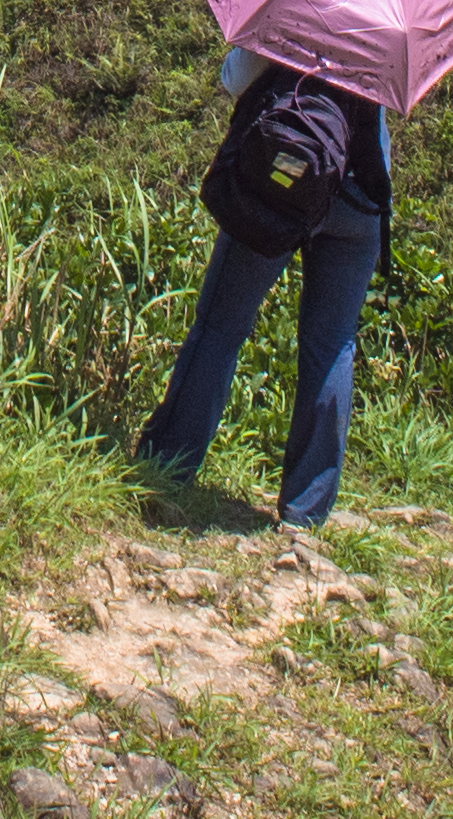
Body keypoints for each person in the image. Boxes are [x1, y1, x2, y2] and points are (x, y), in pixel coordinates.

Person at [133, 44, 392, 527]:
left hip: (281, 182)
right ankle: (305, 512)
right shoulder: (384, 26)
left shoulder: (292, 9)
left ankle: (167, 466)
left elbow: (236, 79)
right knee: (332, 343)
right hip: (359, 194)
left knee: (220, 327)